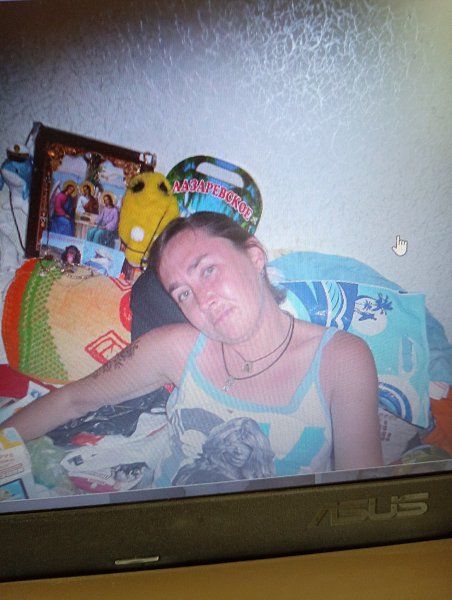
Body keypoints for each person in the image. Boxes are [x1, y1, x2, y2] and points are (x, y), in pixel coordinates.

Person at [3, 212, 382, 484]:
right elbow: (72, 401)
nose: (202, 299)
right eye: (183, 293)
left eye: (208, 270)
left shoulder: (341, 359)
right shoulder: (178, 348)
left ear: (254, 256)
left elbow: (359, 504)